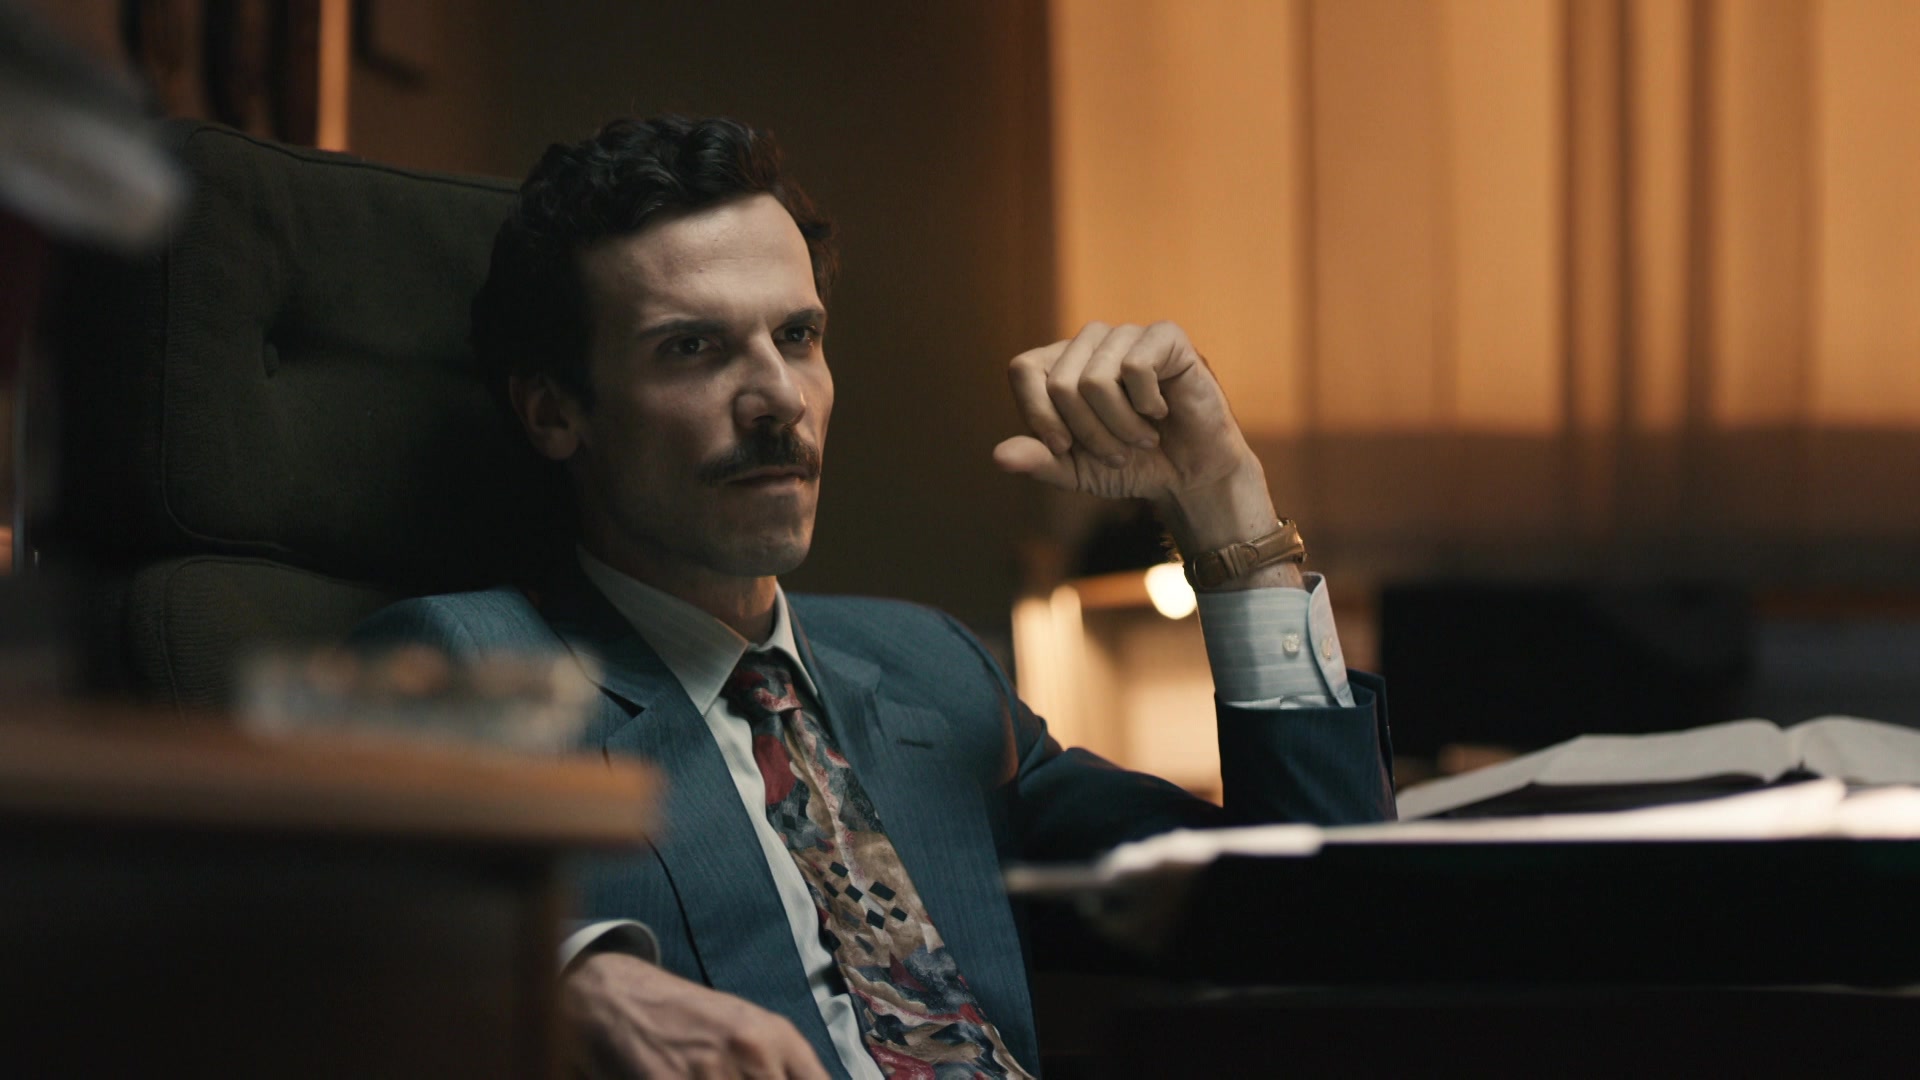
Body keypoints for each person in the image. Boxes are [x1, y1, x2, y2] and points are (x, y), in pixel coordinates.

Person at [353, 116, 1394, 1079]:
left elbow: (1318, 928)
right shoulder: (469, 659)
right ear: (554, 412)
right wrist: (568, 981)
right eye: (692, 348)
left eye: (797, 337)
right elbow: (322, 918)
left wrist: (1225, 505)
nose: (778, 399)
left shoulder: (934, 670)